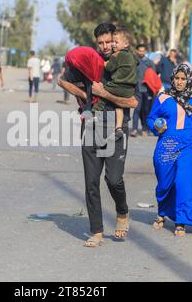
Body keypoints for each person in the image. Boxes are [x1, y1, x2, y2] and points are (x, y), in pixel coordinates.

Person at [58, 23, 139, 247]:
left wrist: (105, 94)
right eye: (100, 43)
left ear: (114, 41)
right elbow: (61, 79)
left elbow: (132, 101)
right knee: (91, 181)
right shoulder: (90, 62)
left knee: (113, 180)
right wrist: (85, 94)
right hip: (91, 126)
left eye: (108, 42)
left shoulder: (124, 63)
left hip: (116, 127)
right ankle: (96, 231)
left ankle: (122, 212)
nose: (104, 47)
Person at [148, 63, 192, 237]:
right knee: (164, 183)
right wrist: (156, 126)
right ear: (172, 79)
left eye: (183, 79)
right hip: (166, 146)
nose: (180, 82)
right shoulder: (163, 97)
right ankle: (162, 213)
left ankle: (181, 221)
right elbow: (151, 118)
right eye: (177, 78)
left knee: (182, 183)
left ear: (189, 80)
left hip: (186, 146)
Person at [91, 27, 138, 141]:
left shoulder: (116, 56)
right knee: (119, 106)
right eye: (101, 43)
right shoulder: (131, 56)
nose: (110, 45)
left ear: (126, 43)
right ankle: (118, 128)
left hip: (118, 87)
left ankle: (95, 113)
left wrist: (102, 93)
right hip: (128, 88)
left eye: (112, 42)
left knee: (103, 92)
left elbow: (134, 103)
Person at [131, 43, 157, 137]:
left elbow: (154, 77)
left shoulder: (150, 63)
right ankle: (134, 129)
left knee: (146, 110)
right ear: (137, 51)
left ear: (145, 51)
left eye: (143, 51)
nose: (141, 52)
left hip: (147, 90)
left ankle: (145, 129)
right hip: (137, 90)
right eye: (140, 50)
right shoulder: (133, 62)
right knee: (137, 109)